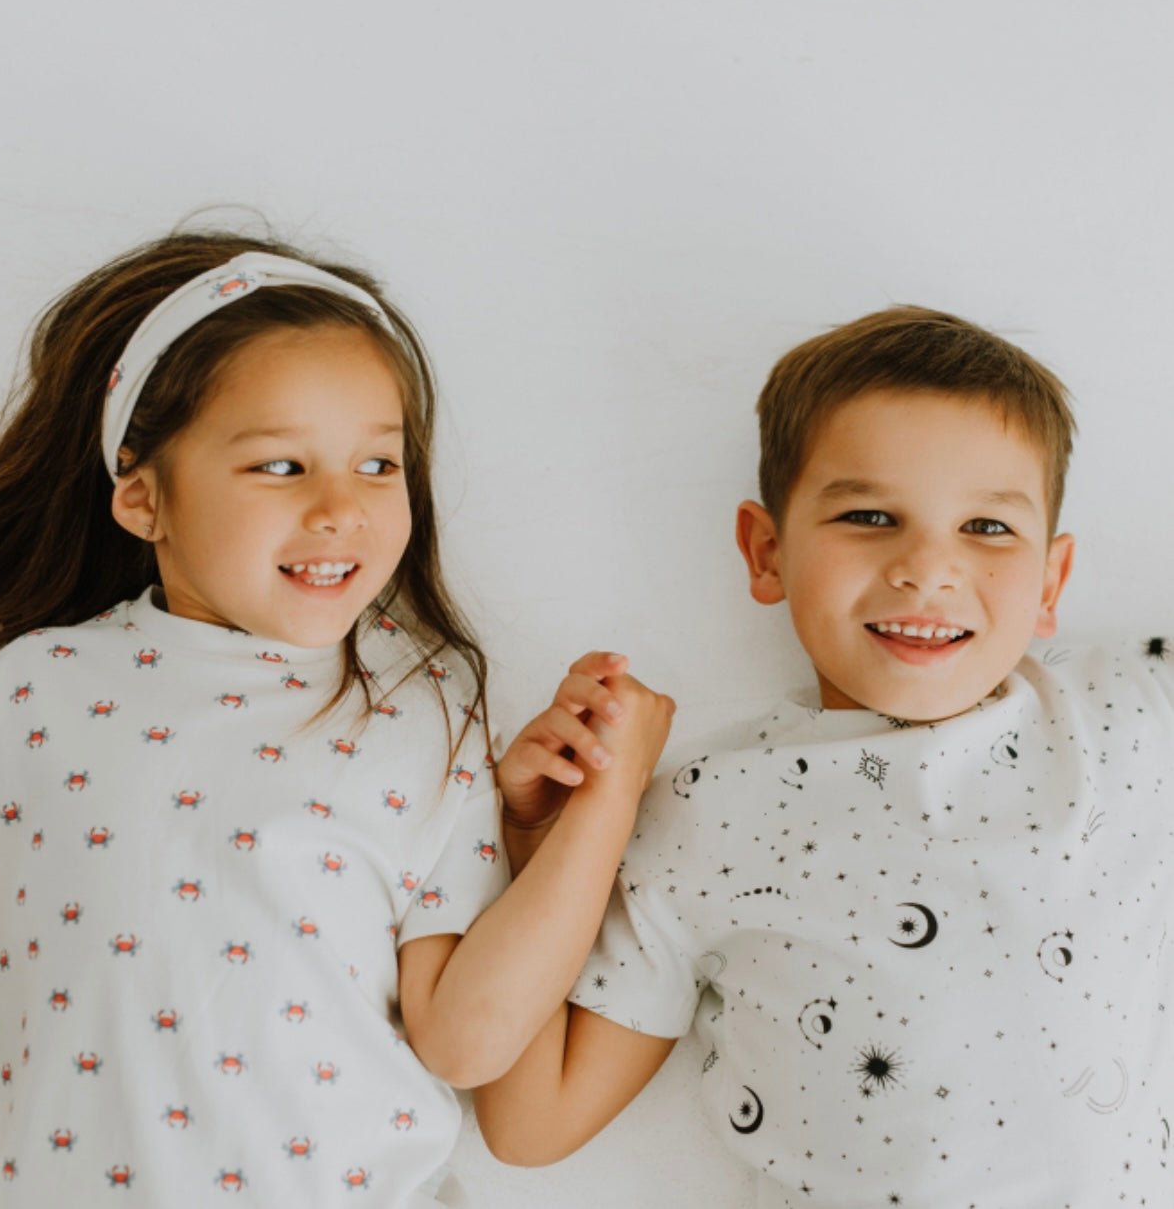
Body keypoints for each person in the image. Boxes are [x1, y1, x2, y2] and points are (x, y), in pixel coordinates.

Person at [0, 229, 674, 1208]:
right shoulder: (27, 691)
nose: (342, 508)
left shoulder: (421, 704)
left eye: (378, 464)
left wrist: (606, 801)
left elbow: (465, 1039)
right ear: (144, 498)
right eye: (281, 466)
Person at [475, 306, 1174, 1205]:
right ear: (767, 552)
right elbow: (530, 1125)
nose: (928, 568)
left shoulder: (1127, 709)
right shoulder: (703, 814)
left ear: (1052, 579)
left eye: (988, 528)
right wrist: (546, 842)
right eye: (870, 516)